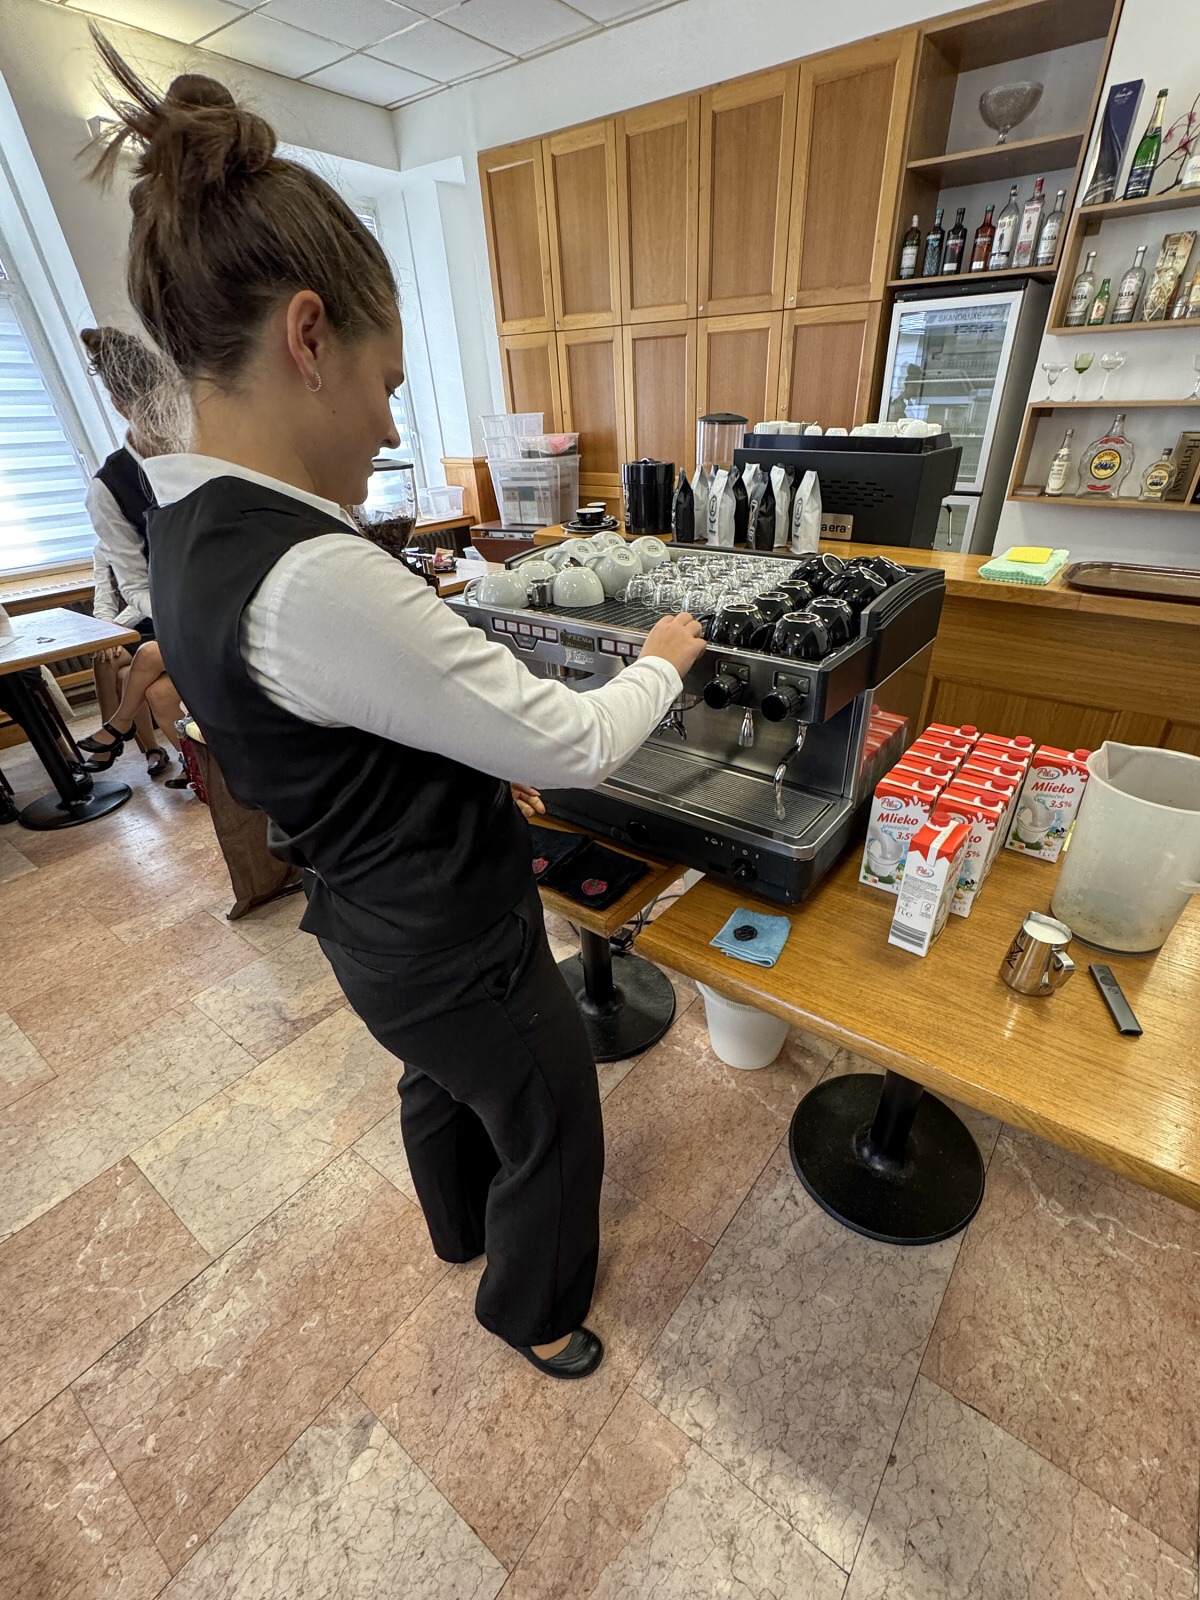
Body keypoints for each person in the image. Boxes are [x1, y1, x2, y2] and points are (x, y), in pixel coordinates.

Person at [90, 39, 706, 1381]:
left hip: (367, 927)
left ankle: (456, 1230)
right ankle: (534, 1311)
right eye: (387, 385)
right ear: (308, 336)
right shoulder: (314, 574)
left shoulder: (184, 525)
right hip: (450, 934)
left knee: (440, 1076)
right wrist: (665, 655)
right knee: (550, 1111)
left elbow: (339, 719)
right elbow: (572, 739)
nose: (386, 427)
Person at [77, 325, 187, 783]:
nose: (172, 423)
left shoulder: (207, 446)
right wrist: (182, 615)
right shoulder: (108, 489)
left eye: (175, 406)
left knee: (156, 684)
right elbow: (136, 585)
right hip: (172, 615)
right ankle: (203, 774)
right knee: (158, 691)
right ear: (121, 407)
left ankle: (118, 729)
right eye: (153, 411)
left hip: (237, 606)